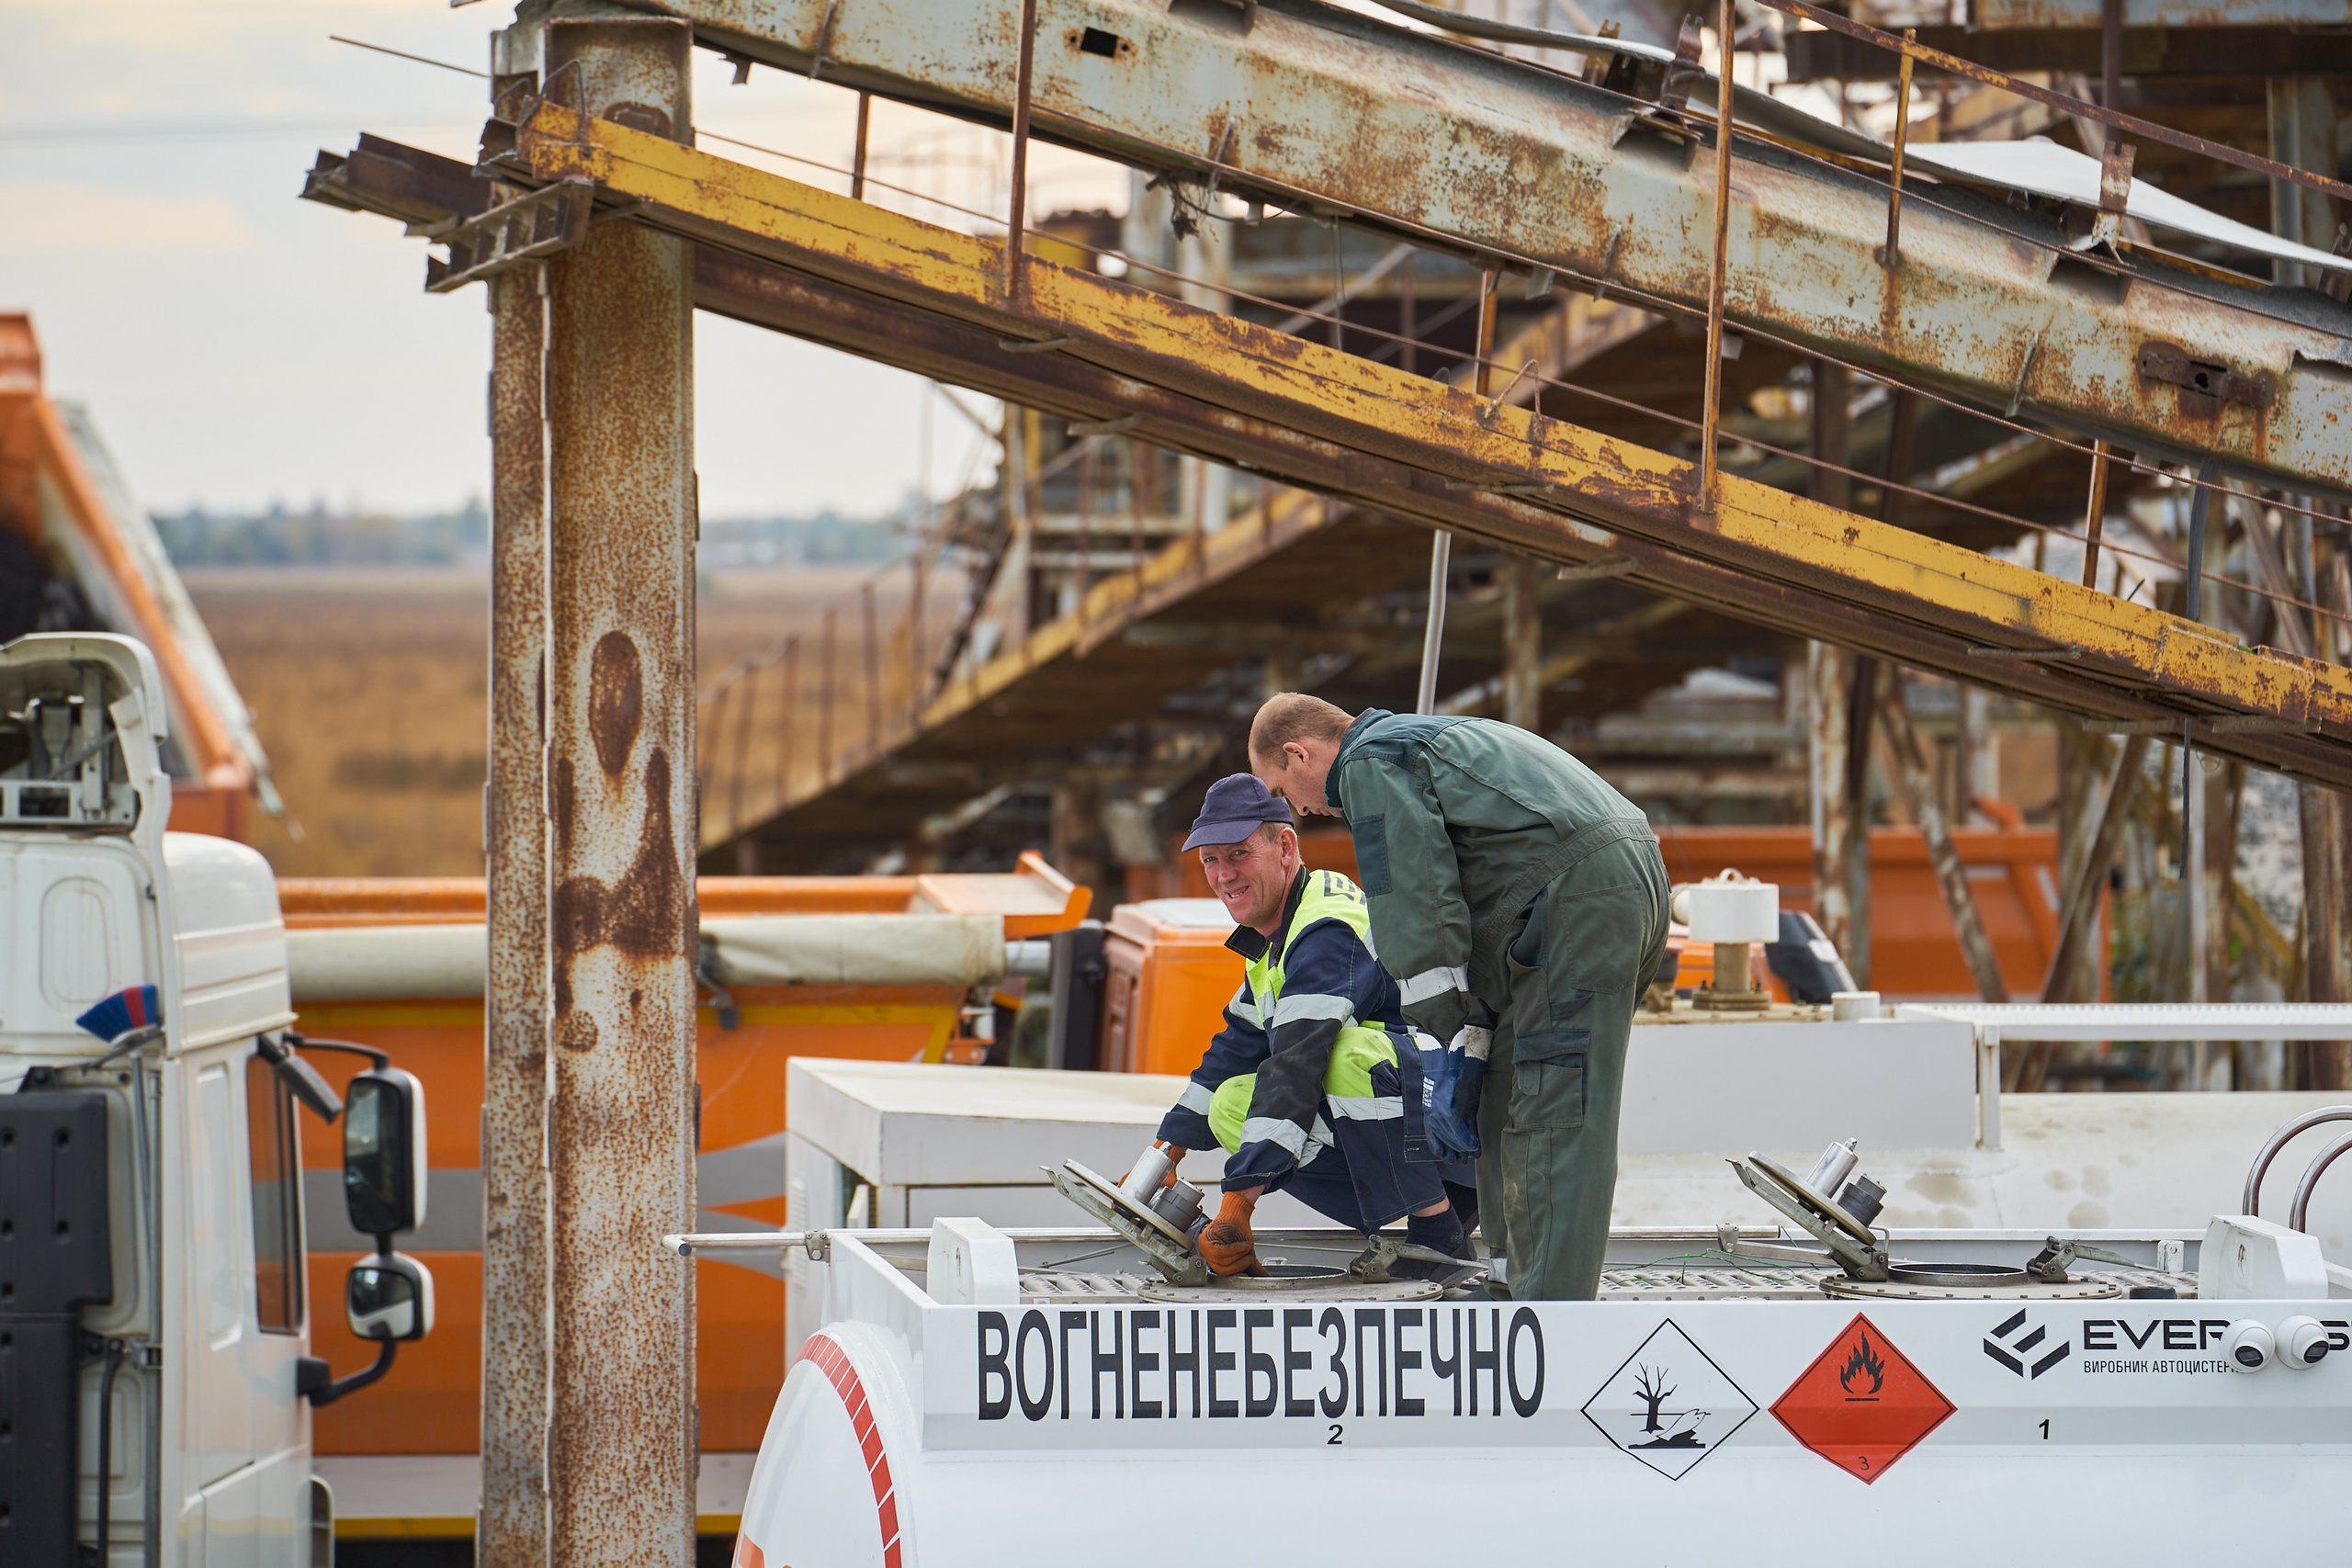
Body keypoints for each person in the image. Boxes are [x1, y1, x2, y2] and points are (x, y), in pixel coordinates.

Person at [1248, 693, 1669, 1301]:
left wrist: (1442, 1036)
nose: (1301, 810)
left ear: (1298, 753)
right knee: (1506, 1093)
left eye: (1283, 790)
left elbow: (1415, 906)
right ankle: (1506, 1281)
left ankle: (1551, 1310)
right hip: (1606, 879)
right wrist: (1473, 1035)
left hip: (1580, 894)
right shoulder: (1424, 741)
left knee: (1554, 1103)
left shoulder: (1369, 762)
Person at [1145, 773, 1476, 1279]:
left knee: (1347, 1056)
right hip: (1414, 1129)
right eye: (1210, 859)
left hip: (1456, 1128)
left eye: (1238, 854)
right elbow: (1233, 1052)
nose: (1224, 875)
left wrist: (1237, 1206)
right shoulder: (1275, 939)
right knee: (1230, 1104)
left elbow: (1297, 1062)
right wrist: (1163, 1155)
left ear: (1285, 846)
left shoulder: (1327, 927)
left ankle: (1440, 1235)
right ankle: (1406, 1225)